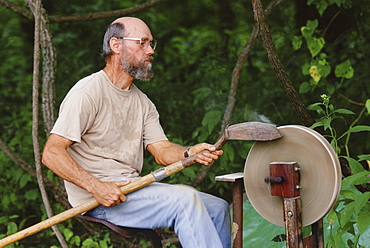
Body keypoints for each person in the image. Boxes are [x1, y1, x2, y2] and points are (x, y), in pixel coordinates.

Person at [42, 17, 231, 248]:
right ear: (116, 45)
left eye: (151, 43)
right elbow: (52, 153)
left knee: (217, 209)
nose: (150, 50)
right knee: (186, 200)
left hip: (134, 188)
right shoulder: (87, 92)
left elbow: (161, 150)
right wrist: (96, 187)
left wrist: (190, 152)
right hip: (99, 199)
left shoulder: (143, 103)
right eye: (142, 43)